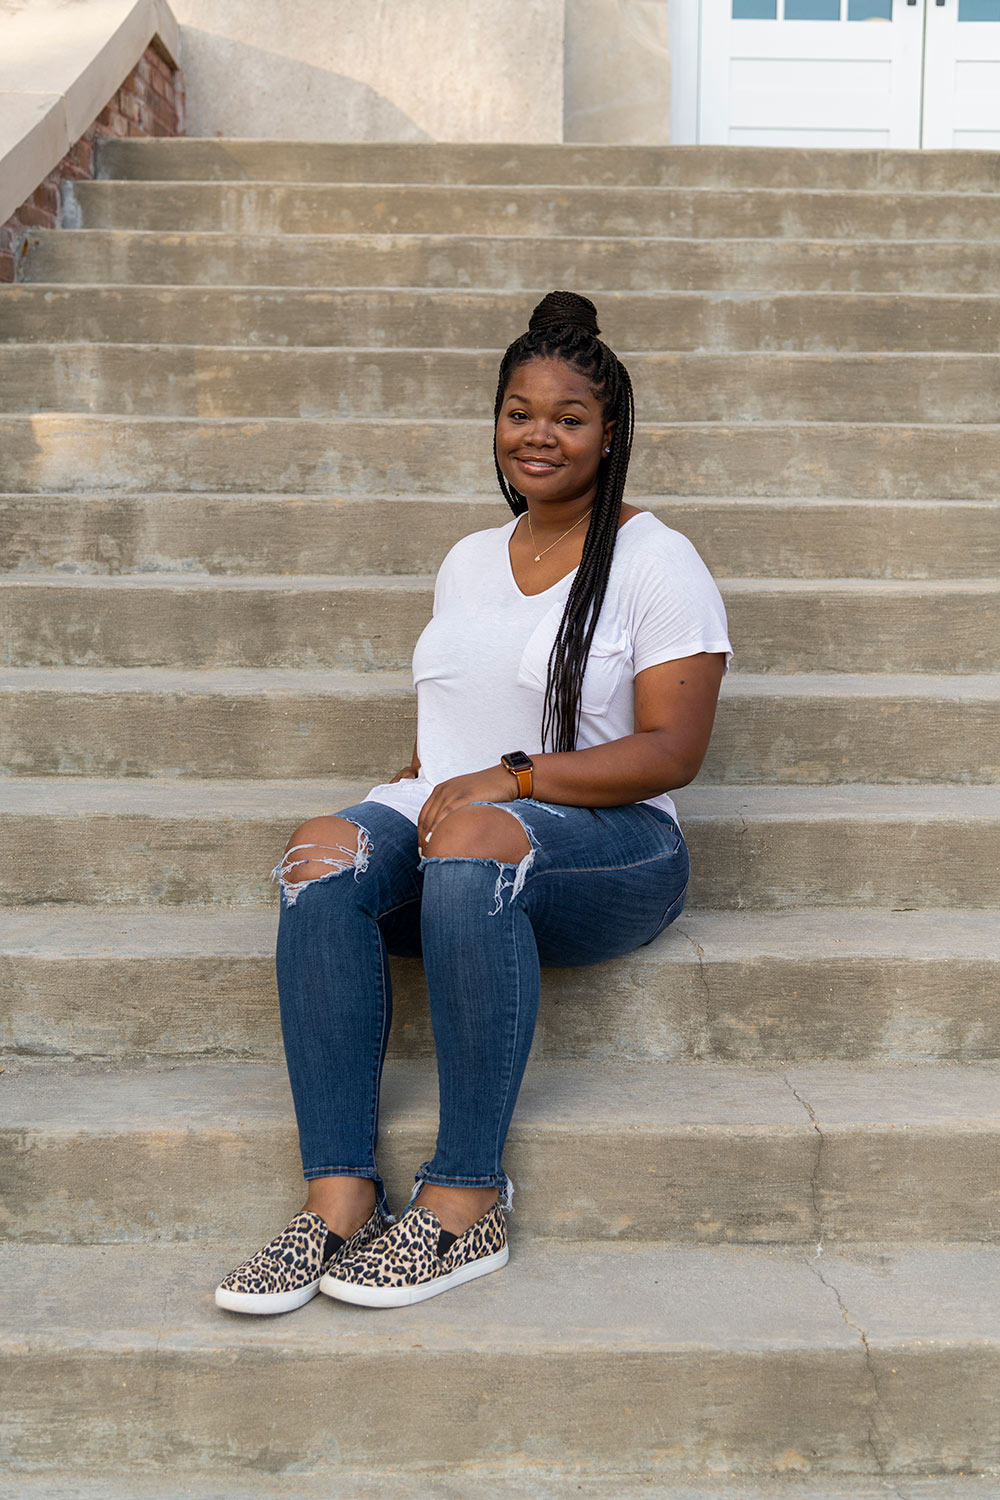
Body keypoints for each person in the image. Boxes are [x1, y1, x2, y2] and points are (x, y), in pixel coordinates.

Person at [215, 290, 732, 1315]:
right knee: (321, 852)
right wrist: (405, 809)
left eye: (568, 417)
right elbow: (449, 723)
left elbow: (673, 751)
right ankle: (339, 1196)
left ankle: (465, 1198)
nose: (538, 435)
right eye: (518, 412)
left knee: (478, 842)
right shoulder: (465, 559)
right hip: (468, 827)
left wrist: (514, 776)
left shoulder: (655, 560)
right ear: (495, 422)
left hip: (610, 847)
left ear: (611, 432)